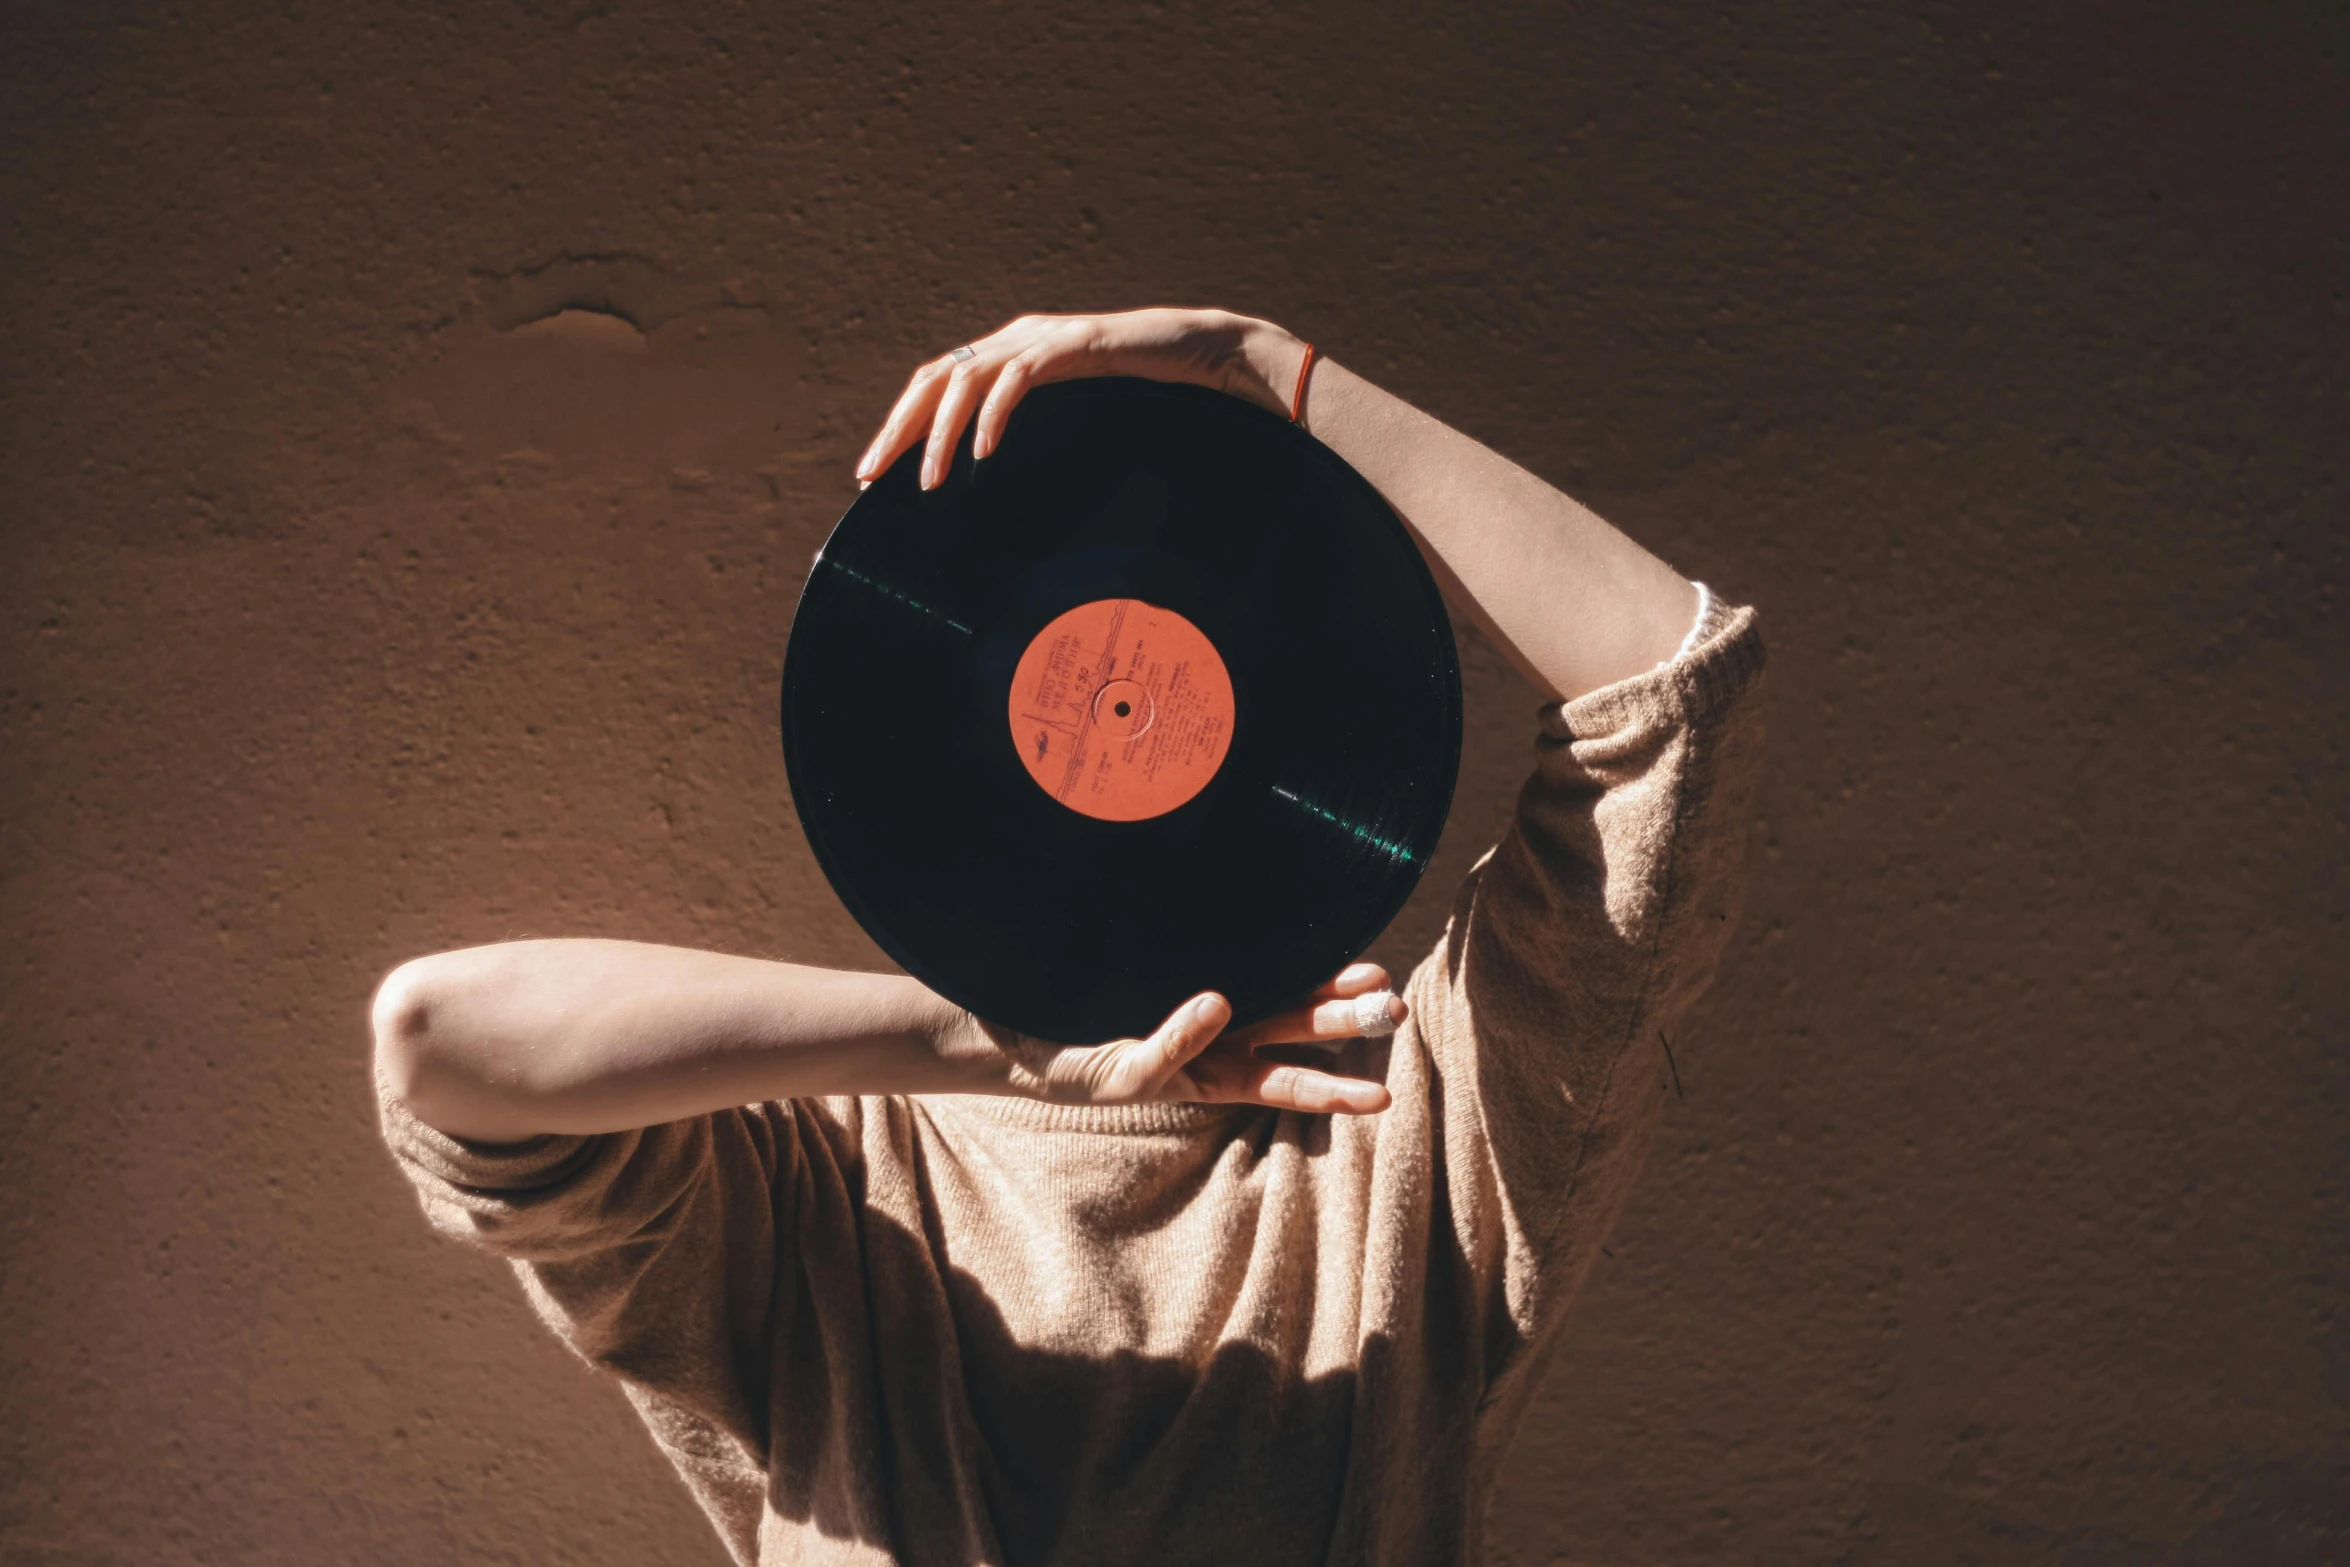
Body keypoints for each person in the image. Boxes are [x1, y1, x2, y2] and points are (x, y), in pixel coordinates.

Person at [372, 307, 1767, 1566]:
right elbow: (440, 1037)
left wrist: (1263, 367)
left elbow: (1671, 693)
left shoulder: (1407, 1151)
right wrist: (991, 1047)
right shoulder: (826, 1188)